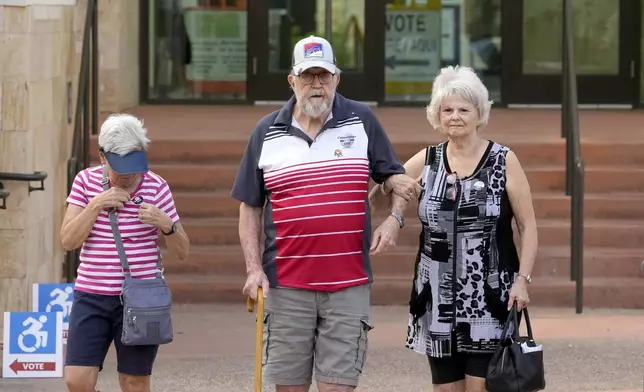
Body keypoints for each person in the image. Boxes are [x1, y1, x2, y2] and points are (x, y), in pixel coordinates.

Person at [231, 35, 419, 392]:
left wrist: (394, 220)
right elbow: (250, 206)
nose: (316, 85)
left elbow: (395, 176)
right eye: (308, 76)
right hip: (286, 285)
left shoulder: (361, 120)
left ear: (337, 79)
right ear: (292, 80)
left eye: (324, 76)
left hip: (348, 283)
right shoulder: (266, 131)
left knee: (338, 387)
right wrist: (254, 269)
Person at [369, 65, 538, 392]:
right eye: (447, 110)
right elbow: (377, 200)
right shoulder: (427, 159)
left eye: (464, 109)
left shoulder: (503, 160)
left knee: (481, 387)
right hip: (437, 297)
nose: (455, 116)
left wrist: (523, 280)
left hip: (490, 297)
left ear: (480, 114)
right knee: (445, 388)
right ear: (437, 115)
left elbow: (528, 225)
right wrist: (390, 183)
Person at [60, 114, 190, 392]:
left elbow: (183, 251)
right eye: (121, 167)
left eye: (134, 164)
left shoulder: (157, 186)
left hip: (141, 297)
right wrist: (95, 205)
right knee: (77, 379)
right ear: (103, 156)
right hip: (92, 294)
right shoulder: (85, 181)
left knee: (134, 383)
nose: (129, 175)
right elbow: (67, 240)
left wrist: (167, 226)